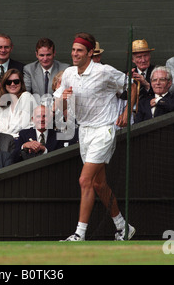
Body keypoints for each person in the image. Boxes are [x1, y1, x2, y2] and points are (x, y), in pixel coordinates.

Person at [55, 32, 137, 241]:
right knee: (99, 184)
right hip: (84, 131)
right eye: (73, 50)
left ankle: (79, 234)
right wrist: (64, 100)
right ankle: (123, 226)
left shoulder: (104, 72)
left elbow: (133, 86)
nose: (75, 54)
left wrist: (127, 112)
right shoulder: (68, 74)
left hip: (104, 130)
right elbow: (61, 108)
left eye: (80, 50)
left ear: (90, 53)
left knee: (85, 180)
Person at [23, 37, 69, 104]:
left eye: (48, 55)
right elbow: (26, 94)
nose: (45, 59)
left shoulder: (65, 69)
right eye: (42, 55)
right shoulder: (29, 69)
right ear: (36, 55)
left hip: (57, 109)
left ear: (54, 53)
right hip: (36, 110)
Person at [0, 68, 38, 138]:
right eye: (9, 82)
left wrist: (4, 136)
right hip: (8, 141)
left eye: (16, 81)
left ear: (21, 83)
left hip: (25, 139)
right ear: (4, 85)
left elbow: (22, 125)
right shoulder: (4, 104)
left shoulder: (26, 96)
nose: (12, 84)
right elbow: (1, 127)